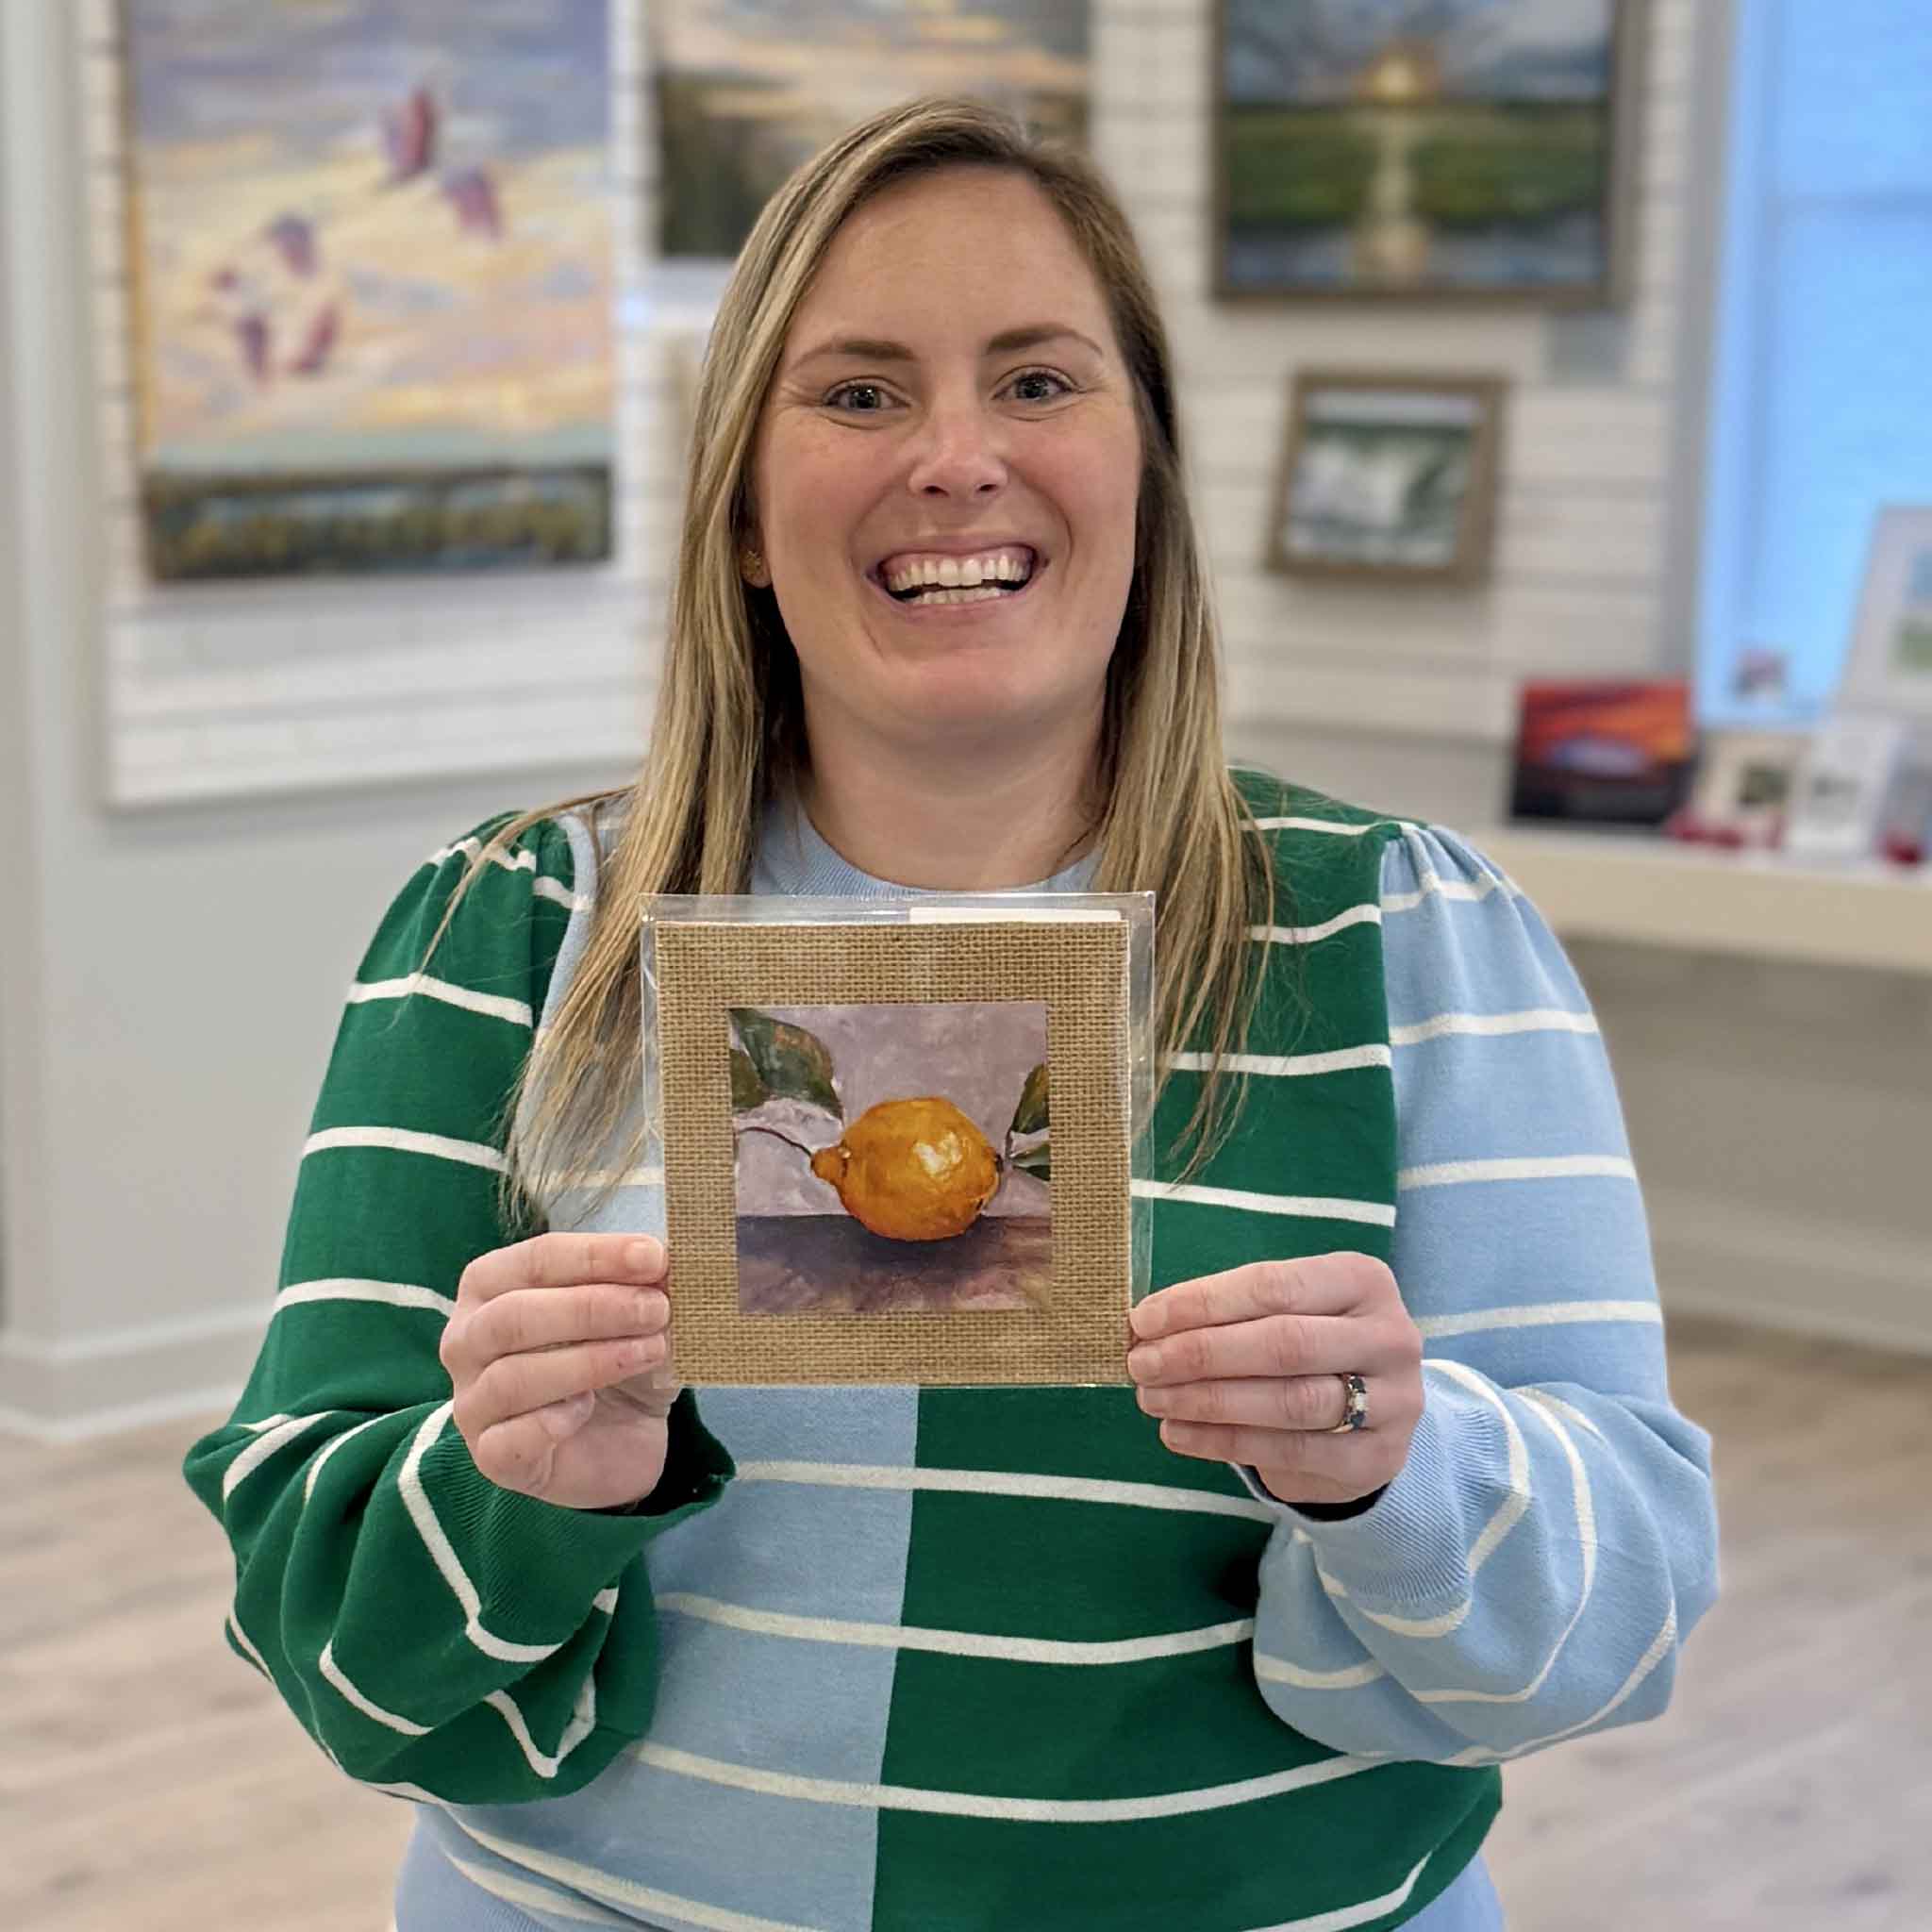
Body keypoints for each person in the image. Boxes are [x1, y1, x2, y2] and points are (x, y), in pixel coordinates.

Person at [185, 95, 1720, 1932]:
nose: (956, 458)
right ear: (744, 514)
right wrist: (511, 1488)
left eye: (1040, 380)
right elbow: (331, 1645)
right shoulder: (506, 939)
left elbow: (1616, 1627)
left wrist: (1403, 1463)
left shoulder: (1408, 938)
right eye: (856, 393)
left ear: (1145, 468)